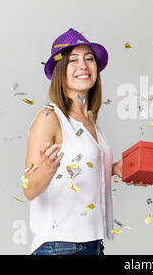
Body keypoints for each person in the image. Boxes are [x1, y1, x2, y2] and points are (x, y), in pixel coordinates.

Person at [23, 28, 140, 255]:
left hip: (92, 245)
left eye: (89, 59)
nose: (83, 66)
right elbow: (28, 189)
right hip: (60, 247)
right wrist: (46, 169)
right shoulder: (50, 118)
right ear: (60, 70)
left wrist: (114, 169)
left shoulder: (91, 123)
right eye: (73, 60)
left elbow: (79, 171)